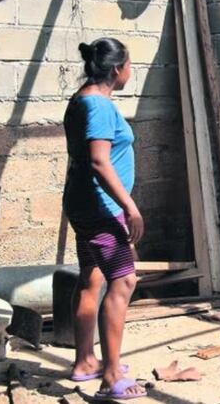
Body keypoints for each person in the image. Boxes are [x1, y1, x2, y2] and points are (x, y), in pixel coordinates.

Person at [62, 37, 146, 400]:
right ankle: (111, 376)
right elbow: (99, 160)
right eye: (129, 65)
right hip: (100, 208)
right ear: (116, 69)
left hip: (83, 203)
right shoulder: (98, 105)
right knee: (124, 280)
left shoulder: (82, 99)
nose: (131, 71)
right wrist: (129, 206)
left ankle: (85, 361)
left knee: (91, 277)